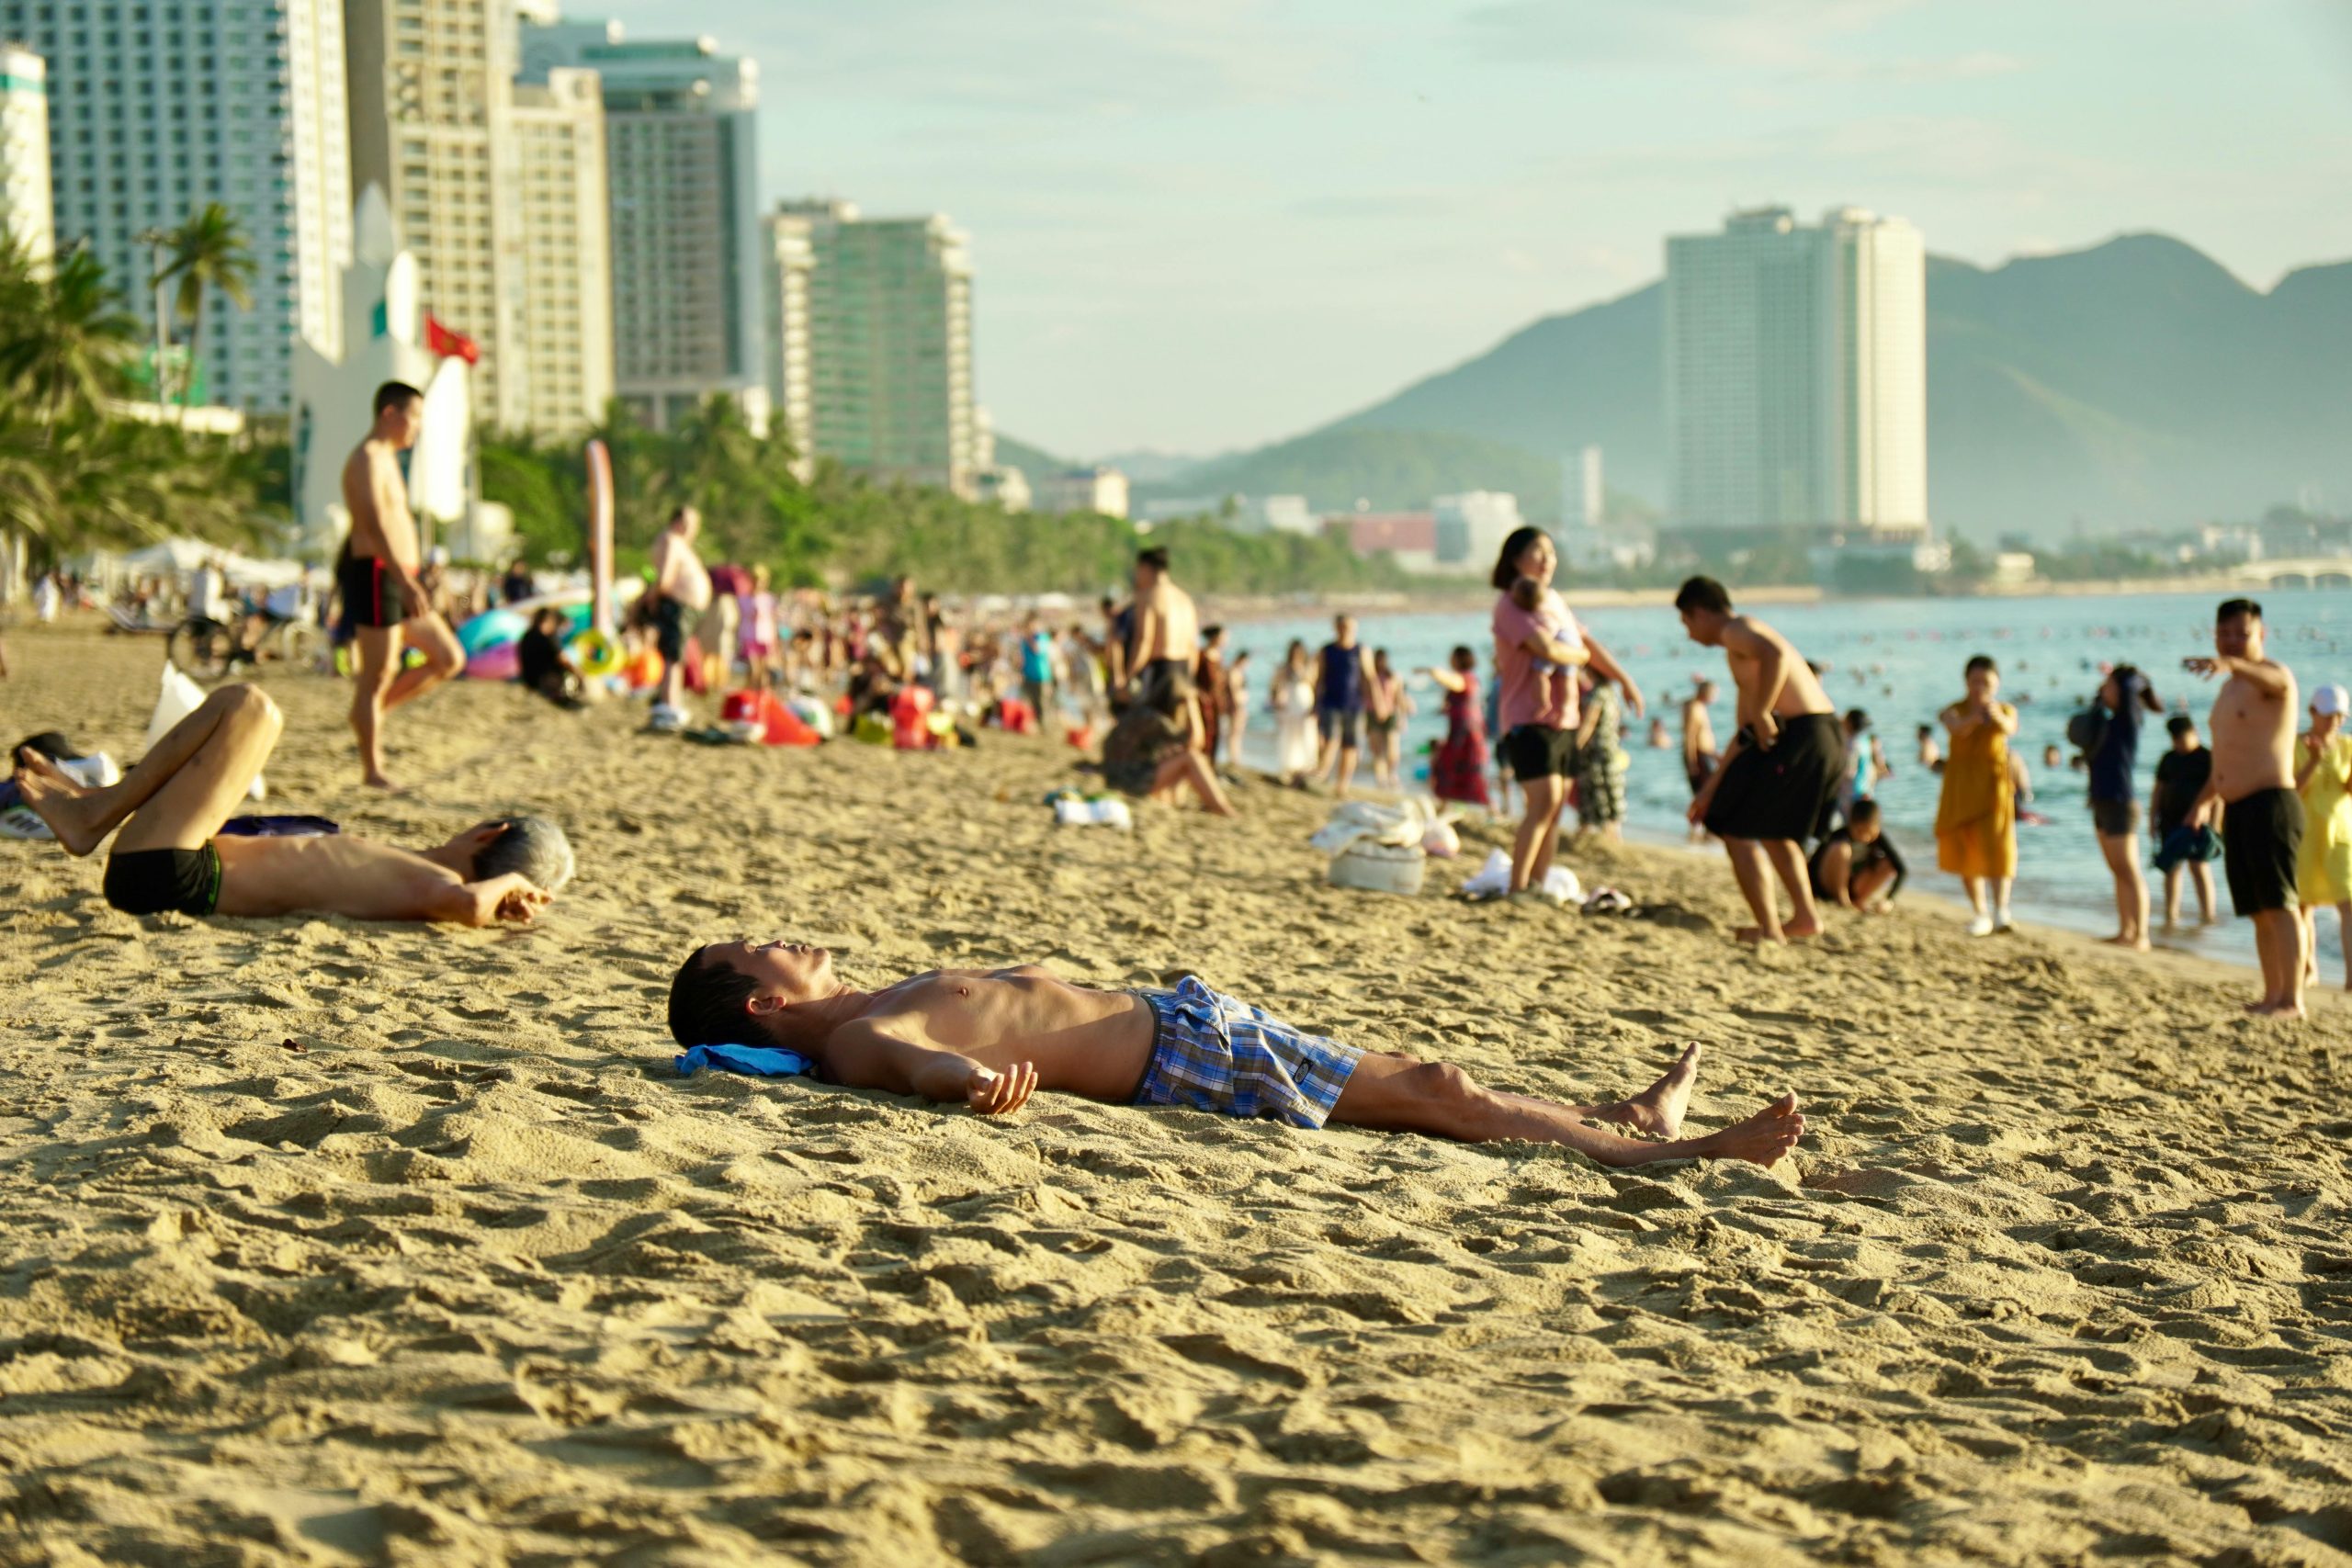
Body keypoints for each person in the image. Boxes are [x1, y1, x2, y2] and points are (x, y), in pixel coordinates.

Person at [667, 942, 1806, 1168]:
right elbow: (922, 1071)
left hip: (1183, 1021)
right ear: (765, 999)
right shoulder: (862, 1033)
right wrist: (976, 1087)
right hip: (1182, 1061)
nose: (797, 934)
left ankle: (1624, 1122)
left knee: (1423, 1080)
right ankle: (1673, 1152)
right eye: (772, 945)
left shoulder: (867, 997)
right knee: (1437, 1094)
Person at [10, 685, 569, 925]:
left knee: (251, 707)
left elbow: (468, 906)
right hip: (172, 863)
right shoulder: (412, 870)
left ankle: (94, 813)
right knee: (246, 712)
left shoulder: (430, 884)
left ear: (490, 833)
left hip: (177, 873)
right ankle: (96, 807)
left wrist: (507, 884)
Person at [1676, 576, 1842, 944]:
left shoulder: (1738, 629)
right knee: (1772, 831)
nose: (1689, 635)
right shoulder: (1740, 653)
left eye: (1687, 623)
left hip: (1804, 732)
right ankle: (1804, 918)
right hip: (1819, 734)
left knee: (1735, 828)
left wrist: (1765, 710)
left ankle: (1770, 930)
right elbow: (1746, 734)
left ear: (1700, 613)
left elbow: (1777, 656)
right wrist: (1709, 789)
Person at [1489, 528, 1642, 898]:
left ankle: (1537, 886)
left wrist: (1624, 680)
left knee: (1555, 809)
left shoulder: (1554, 600)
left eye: (1552, 554)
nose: (1547, 561)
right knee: (1541, 803)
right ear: (1516, 559)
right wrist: (1581, 657)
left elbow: (1586, 642)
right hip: (1528, 717)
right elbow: (1551, 650)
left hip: (1566, 718)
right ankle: (1517, 886)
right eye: (1538, 553)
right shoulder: (1511, 604)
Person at [2183, 599, 2305, 1016]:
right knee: (2257, 910)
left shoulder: (2272, 676)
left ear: (2261, 635)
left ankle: (2292, 999)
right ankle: (2272, 994)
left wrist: (2232, 665)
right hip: (2236, 808)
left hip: (2271, 802)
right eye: (2225, 633)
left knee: (2280, 903)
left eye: (2242, 633)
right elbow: (2225, 755)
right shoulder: (2229, 688)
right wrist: (2202, 802)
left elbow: (2281, 686)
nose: (2232, 641)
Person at [340, 381, 463, 790]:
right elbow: (373, 527)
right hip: (378, 573)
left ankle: (369, 715)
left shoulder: (389, 459)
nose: (418, 427)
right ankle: (372, 769)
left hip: (397, 574)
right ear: (390, 414)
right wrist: (403, 579)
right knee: (377, 673)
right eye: (415, 417)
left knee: (448, 658)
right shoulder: (367, 459)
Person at [1934, 655, 2018, 937]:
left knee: (2000, 847)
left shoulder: (2004, 709)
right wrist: (1975, 717)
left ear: (1997, 683)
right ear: (1966, 682)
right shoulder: (1954, 710)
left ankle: (2002, 910)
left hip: (1994, 789)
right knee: (1967, 849)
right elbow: (1955, 728)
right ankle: (1980, 912)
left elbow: (2010, 728)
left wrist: (1993, 715)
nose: (1980, 687)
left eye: (1987, 682)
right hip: (1961, 787)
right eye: (1975, 681)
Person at [2086, 661, 2165, 951]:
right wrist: (2101, 694)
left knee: (2129, 869)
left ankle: (2141, 934)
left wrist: (2127, 677)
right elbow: (2087, 720)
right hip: (2101, 800)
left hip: (2121, 802)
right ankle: (2125, 930)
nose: (2104, 690)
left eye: (2109, 685)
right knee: (2117, 870)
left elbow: (2133, 683)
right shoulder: (2106, 721)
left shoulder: (2129, 718)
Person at [2295, 682, 2352, 989]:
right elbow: (2291, 791)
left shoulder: (2347, 746)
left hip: (2341, 833)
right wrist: (2315, 760)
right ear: (2313, 712)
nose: (2333, 722)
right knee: (2304, 905)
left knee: (2348, 903)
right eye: (2328, 715)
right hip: (2304, 833)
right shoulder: (2295, 744)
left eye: (2339, 716)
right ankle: (2308, 968)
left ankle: (2351, 978)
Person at [645, 505, 712, 732]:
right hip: (677, 604)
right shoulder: (670, 540)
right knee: (673, 655)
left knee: (676, 654)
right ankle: (669, 704)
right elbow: (665, 577)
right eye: (689, 523)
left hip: (683, 605)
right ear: (677, 522)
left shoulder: (677, 543)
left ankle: (670, 702)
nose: (693, 529)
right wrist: (651, 597)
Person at [2152, 715, 2219, 928]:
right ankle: (2171, 915)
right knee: (2171, 868)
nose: (2180, 743)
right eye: (2176, 740)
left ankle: (2208, 916)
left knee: (2199, 867)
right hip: (2170, 820)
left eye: (2183, 738)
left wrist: (2216, 824)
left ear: (2195, 733)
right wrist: (2152, 818)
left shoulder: (2207, 758)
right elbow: (2158, 790)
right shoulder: (2169, 758)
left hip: (2200, 824)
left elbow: (2218, 792)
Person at [1126, 547, 1200, 726]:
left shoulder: (1149, 597)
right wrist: (1190, 679)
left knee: (1155, 731)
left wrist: (1128, 676)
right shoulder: (1185, 599)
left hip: (1161, 671)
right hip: (1184, 669)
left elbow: (1144, 641)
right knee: (1179, 729)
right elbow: (1193, 646)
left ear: (1144, 567)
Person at [1422, 646, 1491, 810]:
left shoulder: (1464, 679)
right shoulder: (1472, 679)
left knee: (1457, 768)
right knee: (1457, 768)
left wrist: (1433, 671)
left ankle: (1488, 808)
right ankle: (1446, 805)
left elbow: (1453, 683)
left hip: (1466, 734)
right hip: (1467, 731)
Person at [1808, 798, 1903, 915]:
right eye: (1859, 831)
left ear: (1877, 827)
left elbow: (1901, 868)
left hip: (1854, 887)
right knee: (1841, 849)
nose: (1864, 837)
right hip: (1826, 887)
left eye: (1869, 832)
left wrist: (1889, 899)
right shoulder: (1838, 836)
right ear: (1850, 823)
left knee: (1888, 863)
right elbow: (1812, 864)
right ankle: (1842, 898)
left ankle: (1859, 900)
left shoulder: (1879, 838)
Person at [1313, 615, 1373, 798]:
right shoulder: (1327, 650)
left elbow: (1369, 678)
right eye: (1343, 626)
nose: (1346, 630)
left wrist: (1377, 702)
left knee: (1351, 746)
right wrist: (1315, 703)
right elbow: (1319, 678)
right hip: (1330, 702)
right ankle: (1321, 775)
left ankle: (1342, 785)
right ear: (1336, 628)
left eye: (1349, 627)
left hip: (1354, 704)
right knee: (1330, 740)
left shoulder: (1361, 650)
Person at [1573, 675, 1626, 842]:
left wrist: (1575, 747)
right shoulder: (1611, 693)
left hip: (1596, 751)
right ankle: (1613, 833)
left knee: (1597, 789)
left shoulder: (1596, 695)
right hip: (1611, 747)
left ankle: (1601, 832)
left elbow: (1589, 723)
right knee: (1611, 789)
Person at [515, 606, 584, 710]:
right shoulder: (549, 638)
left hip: (528, 679)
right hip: (548, 680)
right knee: (569, 674)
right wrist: (579, 674)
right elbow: (563, 659)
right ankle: (567, 699)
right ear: (550, 621)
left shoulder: (526, 636)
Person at [1272, 640, 1318, 786]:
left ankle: (1307, 767)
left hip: (1305, 701)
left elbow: (1315, 685)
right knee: (1289, 735)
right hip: (1291, 703)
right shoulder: (1284, 668)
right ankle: (1290, 767)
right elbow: (1275, 686)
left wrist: (1316, 706)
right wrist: (1277, 702)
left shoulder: (1308, 667)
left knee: (1307, 734)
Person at [1364, 649, 1411, 792]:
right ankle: (1381, 779)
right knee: (1377, 750)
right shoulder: (1370, 677)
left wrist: (1403, 716)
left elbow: (1399, 696)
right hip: (1372, 714)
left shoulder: (1394, 676)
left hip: (1391, 714)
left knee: (1392, 748)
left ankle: (1392, 774)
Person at [1682, 679, 1719, 843]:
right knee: (1704, 792)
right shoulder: (1693, 707)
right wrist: (1691, 761)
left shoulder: (1699, 707)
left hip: (1706, 754)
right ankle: (1698, 827)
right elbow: (1689, 736)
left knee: (1709, 791)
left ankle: (1704, 827)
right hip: (1698, 756)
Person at [1018, 613, 1059, 736]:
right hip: (1028, 674)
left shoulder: (1042, 637)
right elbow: (1022, 657)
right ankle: (1036, 726)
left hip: (1042, 676)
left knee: (1043, 703)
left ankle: (1046, 728)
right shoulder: (1025, 639)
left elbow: (1037, 650)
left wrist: (1030, 637)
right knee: (1030, 702)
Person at [1194, 625, 1229, 762]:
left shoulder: (1218, 656)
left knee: (1216, 732)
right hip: (1204, 700)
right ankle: (1201, 762)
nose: (1226, 640)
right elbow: (1193, 677)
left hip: (1217, 699)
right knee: (1206, 731)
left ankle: (1211, 763)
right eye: (1224, 637)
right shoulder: (1201, 654)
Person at [1222, 650, 1252, 772]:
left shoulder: (1236, 671)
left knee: (1236, 733)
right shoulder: (1233, 671)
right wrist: (1237, 706)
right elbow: (1233, 690)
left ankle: (1235, 757)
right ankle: (1233, 758)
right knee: (1235, 733)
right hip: (1236, 706)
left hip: (1239, 705)